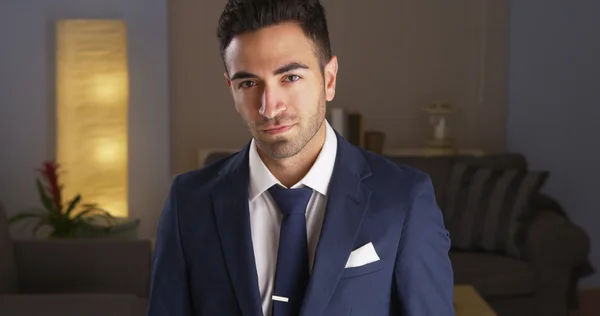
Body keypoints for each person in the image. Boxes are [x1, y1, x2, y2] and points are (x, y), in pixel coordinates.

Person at [147, 0, 455, 315]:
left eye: (290, 77)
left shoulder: (404, 198)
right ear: (231, 89)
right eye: (249, 83)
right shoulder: (188, 203)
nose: (270, 107)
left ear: (329, 79)